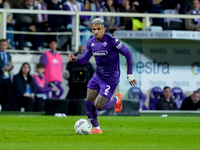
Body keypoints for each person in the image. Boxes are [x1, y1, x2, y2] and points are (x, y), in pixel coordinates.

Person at [68, 18, 137, 134]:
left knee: (99, 106)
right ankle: (97, 128)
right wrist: (76, 59)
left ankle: (116, 99)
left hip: (111, 78)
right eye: (94, 29)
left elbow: (128, 54)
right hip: (98, 76)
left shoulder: (112, 41)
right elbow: (84, 60)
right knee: (88, 101)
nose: (96, 32)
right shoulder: (91, 43)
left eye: (98, 29)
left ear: (104, 29)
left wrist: (129, 74)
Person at [0, 39, 13, 110]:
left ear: (7, 46)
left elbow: (10, 65)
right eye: (1, 45)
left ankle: (4, 109)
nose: (3, 46)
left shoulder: (9, 55)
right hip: (0, 77)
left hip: (7, 78)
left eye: (4, 45)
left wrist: (10, 67)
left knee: (5, 95)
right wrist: (3, 69)